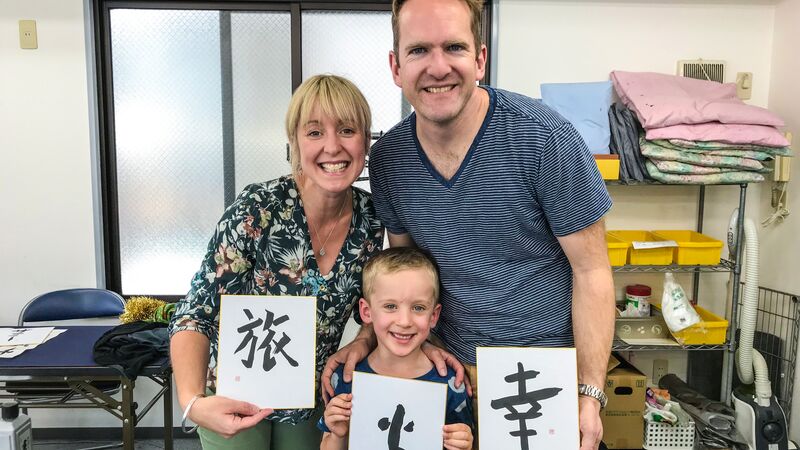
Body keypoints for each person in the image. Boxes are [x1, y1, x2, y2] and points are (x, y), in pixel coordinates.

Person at [323, 1, 616, 449]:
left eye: (454, 47)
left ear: (479, 58)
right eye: (419, 50)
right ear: (395, 66)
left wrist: (589, 394)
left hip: (543, 380)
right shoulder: (390, 160)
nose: (438, 67)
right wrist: (369, 338)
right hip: (448, 379)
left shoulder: (544, 137)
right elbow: (406, 274)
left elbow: (593, 272)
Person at [168, 74, 384, 450]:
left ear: (366, 141)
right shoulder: (260, 209)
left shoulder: (370, 220)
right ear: (295, 142)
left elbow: (372, 308)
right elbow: (196, 312)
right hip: (236, 396)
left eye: (347, 130)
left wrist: (363, 340)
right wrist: (191, 402)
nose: (332, 147)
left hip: (310, 398)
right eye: (314, 132)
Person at [319, 247, 473, 450]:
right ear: (366, 311)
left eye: (418, 308)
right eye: (390, 306)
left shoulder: (452, 383)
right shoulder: (346, 378)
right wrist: (337, 435)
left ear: (434, 316)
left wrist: (465, 445)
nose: (404, 321)